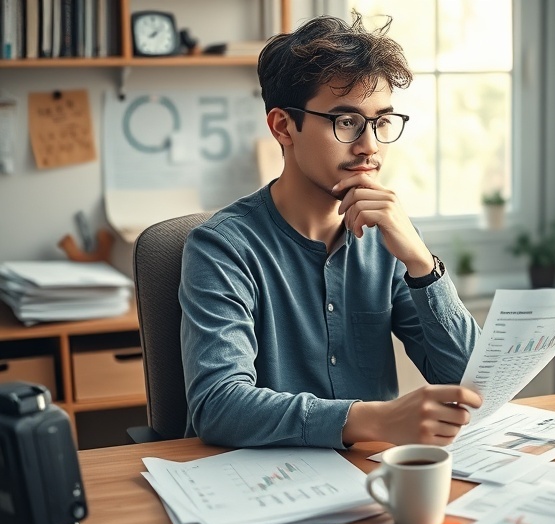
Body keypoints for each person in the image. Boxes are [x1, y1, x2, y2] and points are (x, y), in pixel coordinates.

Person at [179, 13, 482, 449]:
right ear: (284, 126)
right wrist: (371, 419)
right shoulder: (222, 248)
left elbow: (469, 382)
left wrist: (421, 263)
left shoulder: (388, 238)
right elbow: (218, 404)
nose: (370, 146)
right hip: (260, 486)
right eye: (346, 121)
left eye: (381, 122)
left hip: (370, 480)